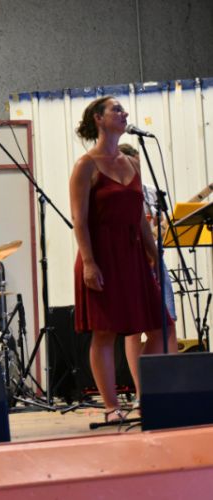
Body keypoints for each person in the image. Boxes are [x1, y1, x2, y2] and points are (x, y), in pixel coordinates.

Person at [69, 96, 171, 422]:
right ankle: (112, 407)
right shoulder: (86, 165)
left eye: (123, 109)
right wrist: (89, 262)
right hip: (101, 255)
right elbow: (79, 220)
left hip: (133, 255)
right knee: (105, 333)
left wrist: (153, 254)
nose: (124, 113)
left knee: (162, 327)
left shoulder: (133, 164)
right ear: (98, 118)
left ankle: (145, 397)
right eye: (116, 109)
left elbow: (139, 217)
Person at [119, 143, 178, 406]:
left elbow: (162, 228)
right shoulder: (117, 195)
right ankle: (141, 392)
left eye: (138, 165)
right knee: (133, 331)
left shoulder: (152, 193)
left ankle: (173, 387)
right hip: (129, 266)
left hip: (156, 263)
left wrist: (160, 233)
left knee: (168, 323)